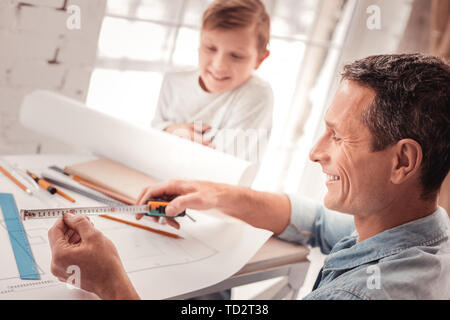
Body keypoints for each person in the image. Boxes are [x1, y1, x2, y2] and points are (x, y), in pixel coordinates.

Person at [48, 53, 450, 299]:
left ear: (402, 162)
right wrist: (216, 194)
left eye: (338, 136)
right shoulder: (425, 229)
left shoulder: (358, 294)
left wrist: (109, 283)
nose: (315, 151)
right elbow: (317, 221)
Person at [151, 0, 273, 163]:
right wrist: (169, 129)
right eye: (210, 48)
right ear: (200, 44)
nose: (219, 65)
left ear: (260, 59)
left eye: (236, 56)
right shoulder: (173, 81)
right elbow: (154, 132)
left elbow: (222, 161)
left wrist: (170, 137)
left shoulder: (256, 94)